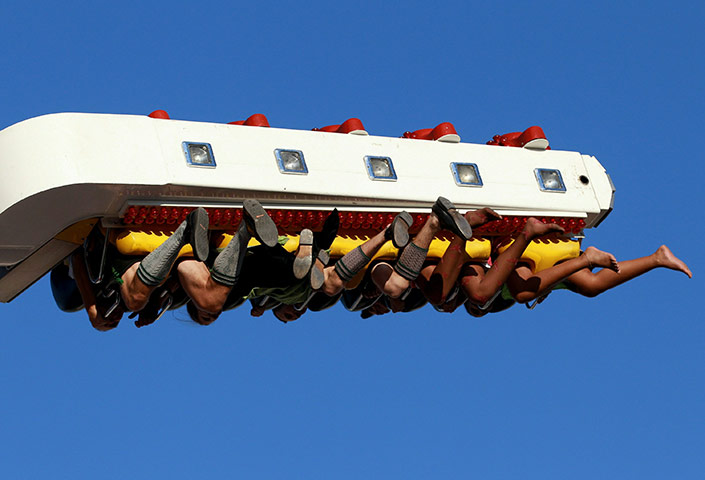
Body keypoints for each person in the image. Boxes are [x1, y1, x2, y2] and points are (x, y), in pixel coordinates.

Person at [72, 207, 210, 331]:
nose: (114, 319)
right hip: (161, 251)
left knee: (134, 300)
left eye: (107, 321)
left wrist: (91, 308)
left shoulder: (91, 287)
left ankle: (183, 235)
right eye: (115, 323)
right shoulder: (143, 301)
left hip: (121, 249)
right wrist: (156, 303)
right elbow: (175, 281)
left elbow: (77, 259)